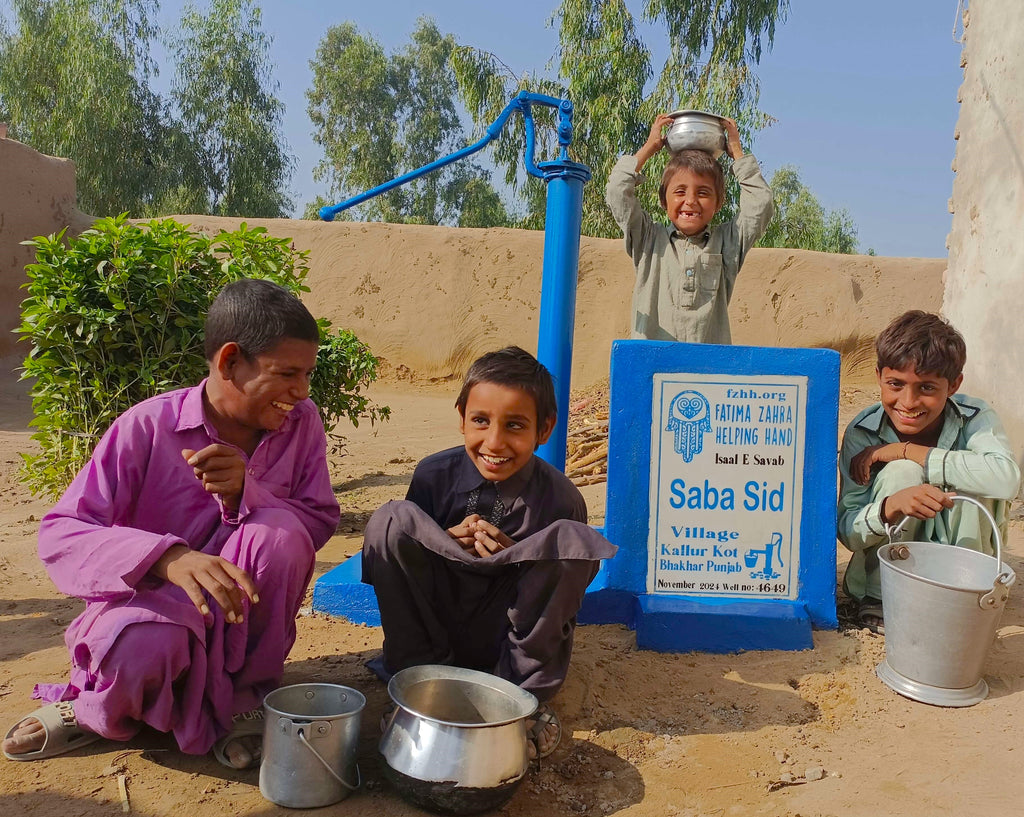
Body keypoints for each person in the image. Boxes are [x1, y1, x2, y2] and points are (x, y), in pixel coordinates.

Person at [2, 279, 340, 768]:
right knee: (144, 648)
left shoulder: (301, 422)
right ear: (229, 362)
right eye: (287, 373)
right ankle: (91, 708)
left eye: (307, 374)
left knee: (280, 536)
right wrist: (166, 558)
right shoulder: (145, 426)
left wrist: (251, 491)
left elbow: (317, 521)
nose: (302, 391)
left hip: (242, 623)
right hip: (151, 609)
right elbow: (63, 530)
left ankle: (243, 700)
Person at [361, 346, 616, 759]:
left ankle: (522, 701)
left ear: (544, 430)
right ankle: (418, 684)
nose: (494, 442)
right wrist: (442, 540)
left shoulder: (561, 499)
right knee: (392, 519)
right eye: (480, 421)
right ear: (461, 418)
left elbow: (565, 592)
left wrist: (521, 556)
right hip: (435, 628)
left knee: (572, 541)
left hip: (505, 638)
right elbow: (408, 561)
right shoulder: (432, 475)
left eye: (515, 425)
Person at [837, 310, 1020, 633]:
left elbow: (1006, 479)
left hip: (962, 575)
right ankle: (881, 597)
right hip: (881, 586)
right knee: (901, 474)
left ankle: (964, 592)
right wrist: (890, 507)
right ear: (879, 376)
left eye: (926, 388)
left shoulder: (974, 417)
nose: (908, 402)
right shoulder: (863, 433)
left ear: (953, 385)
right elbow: (848, 532)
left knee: (971, 478)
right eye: (896, 384)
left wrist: (907, 450)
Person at [605, 113, 774, 344]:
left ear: (719, 203)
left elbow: (760, 204)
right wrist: (649, 148)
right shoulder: (648, 240)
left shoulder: (728, 244)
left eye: (703, 193)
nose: (691, 201)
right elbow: (617, 191)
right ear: (664, 201)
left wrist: (736, 152)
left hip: (707, 372)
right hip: (652, 367)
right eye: (680, 191)